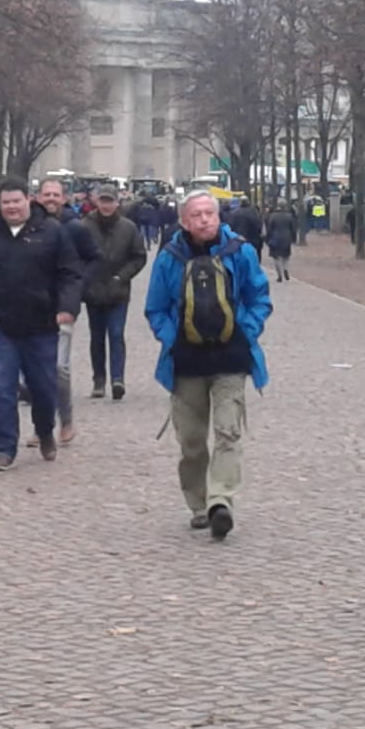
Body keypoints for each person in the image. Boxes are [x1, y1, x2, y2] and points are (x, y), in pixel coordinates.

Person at [144, 190, 273, 541]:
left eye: (209, 214)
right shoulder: (169, 258)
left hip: (231, 357)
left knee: (228, 432)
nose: (204, 220)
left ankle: (220, 502)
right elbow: (155, 308)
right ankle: (199, 504)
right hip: (186, 361)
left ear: (219, 217)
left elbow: (259, 297)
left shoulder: (241, 251)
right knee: (191, 440)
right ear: (184, 221)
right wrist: (172, 339)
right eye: (196, 215)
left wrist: (246, 330)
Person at [0, 178, 83, 471]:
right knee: (3, 387)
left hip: (41, 325)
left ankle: (44, 431)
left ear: (29, 200)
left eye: (16, 201)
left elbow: (70, 274)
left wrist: (67, 307)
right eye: (6, 203)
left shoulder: (52, 232)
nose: (11, 207)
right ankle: (4, 448)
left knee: (43, 387)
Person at [35, 178, 101, 442]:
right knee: (36, 369)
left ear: (64, 198)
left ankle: (66, 420)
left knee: (59, 366)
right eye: (46, 194)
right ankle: (42, 426)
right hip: (33, 304)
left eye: (56, 194)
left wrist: (78, 286)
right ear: (38, 197)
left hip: (63, 304)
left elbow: (95, 258)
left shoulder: (75, 228)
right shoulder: (30, 226)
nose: (51, 199)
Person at [82, 185, 147, 400]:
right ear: (97, 202)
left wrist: (122, 276)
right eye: (103, 201)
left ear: (117, 203)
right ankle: (99, 380)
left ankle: (117, 379)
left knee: (116, 334)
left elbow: (139, 256)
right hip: (93, 291)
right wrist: (86, 278)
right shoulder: (85, 226)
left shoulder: (128, 228)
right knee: (97, 337)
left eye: (110, 201)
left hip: (118, 291)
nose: (106, 205)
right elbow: (76, 255)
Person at [266, 204, 297, 282]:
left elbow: (269, 228)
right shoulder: (289, 216)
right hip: (286, 238)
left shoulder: (273, 216)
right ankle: (285, 268)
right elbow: (293, 228)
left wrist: (267, 238)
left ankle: (279, 275)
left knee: (276, 257)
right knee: (286, 256)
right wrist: (294, 238)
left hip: (275, 239)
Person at [229, 199, 264, 263]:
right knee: (254, 256)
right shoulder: (254, 212)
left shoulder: (235, 213)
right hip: (253, 239)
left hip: (240, 238)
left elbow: (231, 226)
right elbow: (258, 224)